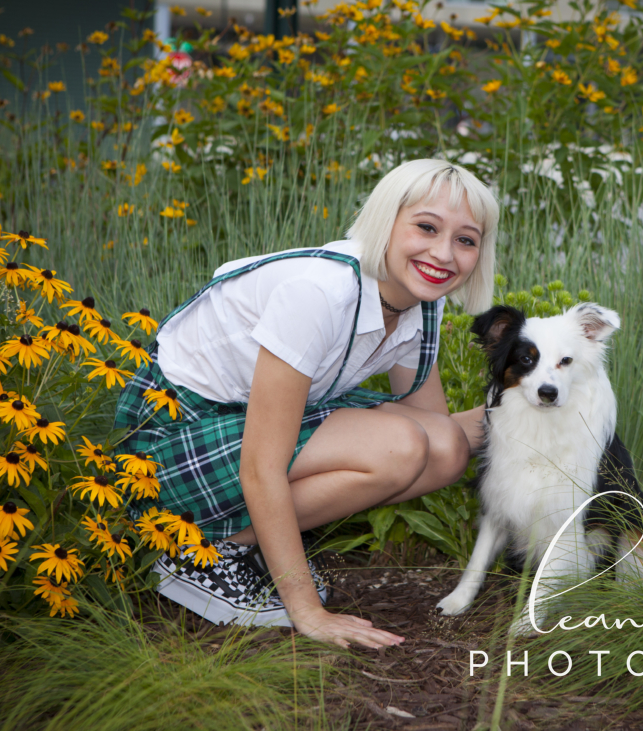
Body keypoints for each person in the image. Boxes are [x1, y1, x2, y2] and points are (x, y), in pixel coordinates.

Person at [114, 159, 498, 649]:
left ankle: (237, 544)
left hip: (240, 426)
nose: (443, 253)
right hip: (164, 442)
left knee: (444, 447)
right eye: (426, 227)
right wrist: (308, 612)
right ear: (386, 220)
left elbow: (439, 429)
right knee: (400, 446)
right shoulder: (318, 293)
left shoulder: (419, 299)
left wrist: (556, 405)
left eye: (466, 239)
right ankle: (197, 550)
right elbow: (260, 466)